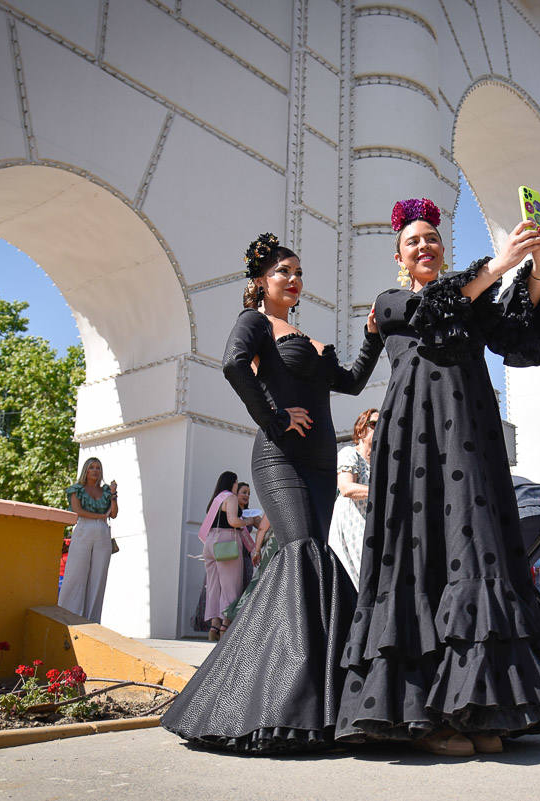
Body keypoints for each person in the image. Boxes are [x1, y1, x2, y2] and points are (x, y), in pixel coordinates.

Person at [337, 198, 540, 757]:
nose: (426, 246)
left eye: (432, 239)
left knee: (478, 553)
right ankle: (429, 716)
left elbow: (518, 335)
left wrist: (537, 268)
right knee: (421, 557)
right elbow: (427, 315)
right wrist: (498, 264)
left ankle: (478, 707)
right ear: (400, 255)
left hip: (470, 437)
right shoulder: (391, 303)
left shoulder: (470, 299)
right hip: (414, 442)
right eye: (414, 241)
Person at [162, 232, 382, 754]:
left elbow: (350, 382)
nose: (294, 280)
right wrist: (276, 417)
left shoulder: (306, 336)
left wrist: (371, 335)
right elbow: (234, 364)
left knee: (305, 560)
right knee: (303, 552)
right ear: (261, 281)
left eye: (299, 273)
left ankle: (320, 700)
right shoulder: (256, 323)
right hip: (279, 457)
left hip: (320, 465)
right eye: (285, 271)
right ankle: (268, 701)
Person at [195, 471, 253, 641]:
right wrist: (248, 522)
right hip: (226, 542)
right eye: (236, 483)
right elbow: (234, 521)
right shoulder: (231, 498)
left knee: (214, 587)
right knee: (230, 586)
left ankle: (213, 626)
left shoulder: (216, 499)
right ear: (233, 483)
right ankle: (225, 626)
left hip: (210, 543)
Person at [59, 457, 117, 622]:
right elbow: (77, 511)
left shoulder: (105, 491)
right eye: (92, 467)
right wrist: (99, 516)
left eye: (98, 467)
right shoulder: (77, 489)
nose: (95, 470)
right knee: (76, 572)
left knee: (98, 576)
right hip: (84, 528)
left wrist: (113, 495)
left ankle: (92, 619)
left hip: (102, 532)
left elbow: (113, 513)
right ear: (86, 470)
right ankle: (68, 615)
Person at [328, 408, 378, 587]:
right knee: (352, 578)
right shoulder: (350, 453)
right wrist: (379, 491)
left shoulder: (380, 462)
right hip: (350, 524)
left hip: (368, 525)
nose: (379, 428)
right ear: (361, 429)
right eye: (374, 424)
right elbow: (346, 487)